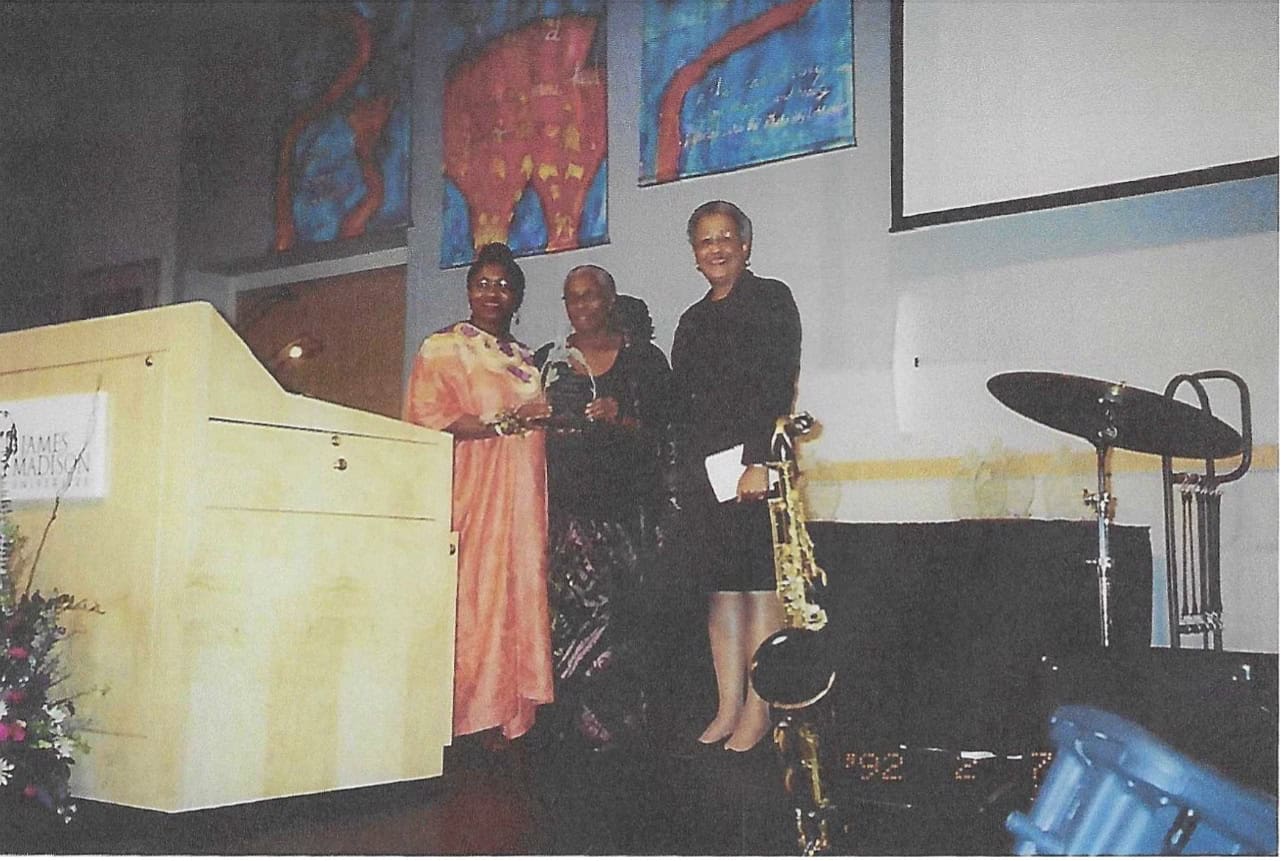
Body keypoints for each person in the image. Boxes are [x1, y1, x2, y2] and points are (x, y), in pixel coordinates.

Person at [403, 242, 554, 747]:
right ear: (469, 290)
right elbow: (429, 417)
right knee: (471, 597)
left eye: (504, 285)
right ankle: (463, 713)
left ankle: (508, 712)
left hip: (523, 500)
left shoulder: (525, 359)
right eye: (484, 284)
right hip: (472, 491)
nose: (493, 293)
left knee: (515, 594)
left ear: (517, 297)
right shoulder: (442, 348)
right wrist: (499, 423)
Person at [670, 200, 802, 753]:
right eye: (705, 241)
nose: (716, 248)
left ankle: (759, 709)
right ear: (696, 255)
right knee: (722, 592)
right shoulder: (692, 320)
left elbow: (777, 383)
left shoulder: (771, 299)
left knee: (760, 589)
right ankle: (727, 706)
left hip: (755, 465)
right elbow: (683, 404)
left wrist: (758, 459)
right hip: (707, 473)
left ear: (745, 246)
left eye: (726, 237)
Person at [538, 265, 671, 752]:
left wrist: (622, 417)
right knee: (566, 623)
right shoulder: (548, 362)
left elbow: (667, 435)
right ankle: (568, 729)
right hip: (565, 519)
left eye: (591, 296)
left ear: (610, 299)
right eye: (572, 297)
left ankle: (622, 732)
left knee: (621, 627)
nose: (581, 306)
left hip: (625, 520)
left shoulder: (644, 362)